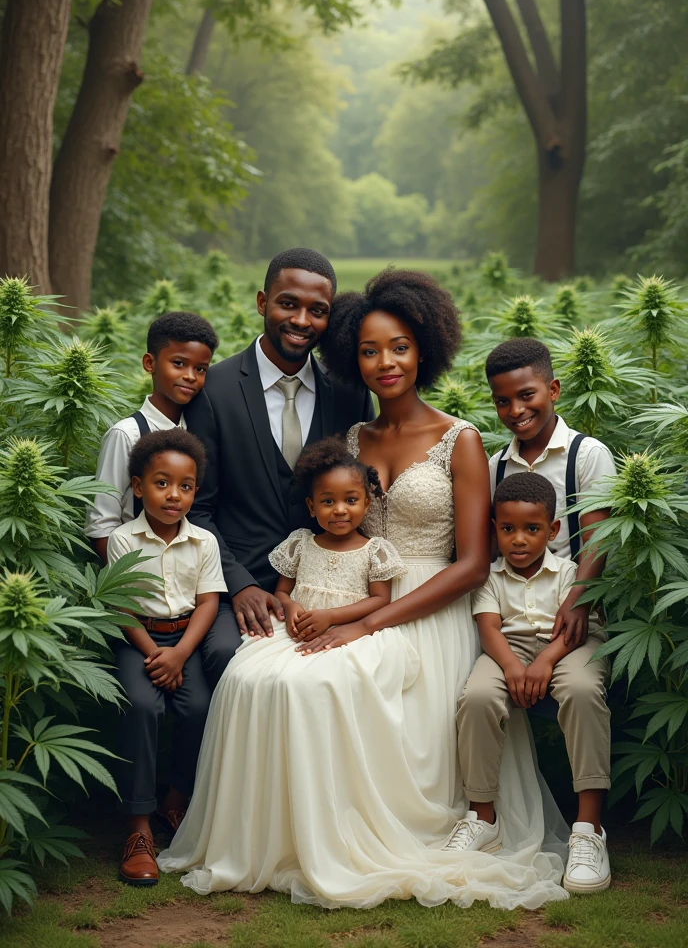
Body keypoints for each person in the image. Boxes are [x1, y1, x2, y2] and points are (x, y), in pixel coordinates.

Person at [159, 270, 569, 910]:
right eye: (370, 349)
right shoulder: (353, 438)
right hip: (349, 592)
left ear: (424, 348)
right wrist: (313, 606)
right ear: (354, 355)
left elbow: (471, 563)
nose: (386, 362)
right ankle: (277, 838)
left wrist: (368, 625)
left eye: (400, 346)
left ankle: (355, 835)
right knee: (253, 674)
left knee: (319, 682)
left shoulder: (458, 439)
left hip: (429, 606)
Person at [183, 248, 373, 674]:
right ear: (262, 302)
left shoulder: (350, 392)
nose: (302, 321)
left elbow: (367, 492)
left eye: (317, 310)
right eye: (289, 303)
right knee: (223, 657)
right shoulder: (213, 390)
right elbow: (198, 507)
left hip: (334, 591)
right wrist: (240, 585)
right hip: (242, 584)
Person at [452, 473, 611, 894]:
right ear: (494, 530)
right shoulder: (488, 577)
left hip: (568, 646)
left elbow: (576, 630)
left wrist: (543, 661)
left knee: (581, 691)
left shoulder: (569, 572)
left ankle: (588, 828)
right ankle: (483, 816)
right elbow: (489, 631)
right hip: (509, 648)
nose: (518, 539)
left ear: (553, 530)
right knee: (478, 696)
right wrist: (512, 667)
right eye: (507, 529)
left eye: (531, 529)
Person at [107, 429, 227, 888]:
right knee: (141, 707)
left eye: (185, 486)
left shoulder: (204, 543)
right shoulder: (123, 539)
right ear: (138, 486)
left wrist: (179, 654)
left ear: (195, 490)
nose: (173, 495)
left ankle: (175, 800)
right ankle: (138, 829)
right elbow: (119, 604)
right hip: (137, 641)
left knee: (199, 707)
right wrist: (154, 653)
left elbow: (209, 602)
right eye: (161, 483)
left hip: (183, 643)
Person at [485, 338, 616, 651]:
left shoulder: (586, 455)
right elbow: (491, 546)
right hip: (510, 616)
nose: (516, 410)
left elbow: (596, 542)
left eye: (527, 395)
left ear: (553, 390)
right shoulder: (498, 465)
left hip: (571, 607)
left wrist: (577, 602)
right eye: (502, 401)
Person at [85, 311, 218, 563]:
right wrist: (131, 582)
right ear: (150, 363)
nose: (190, 375)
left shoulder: (200, 430)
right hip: (137, 575)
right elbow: (101, 525)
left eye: (200, 368)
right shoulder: (126, 433)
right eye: (179, 363)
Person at [271, 437, 407, 641]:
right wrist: (290, 606)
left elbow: (380, 599)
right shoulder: (300, 544)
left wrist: (331, 616)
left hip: (350, 637)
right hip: (295, 635)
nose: (340, 510)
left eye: (351, 500)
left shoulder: (374, 551)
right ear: (311, 506)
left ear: (366, 504)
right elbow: (282, 590)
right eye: (328, 501)